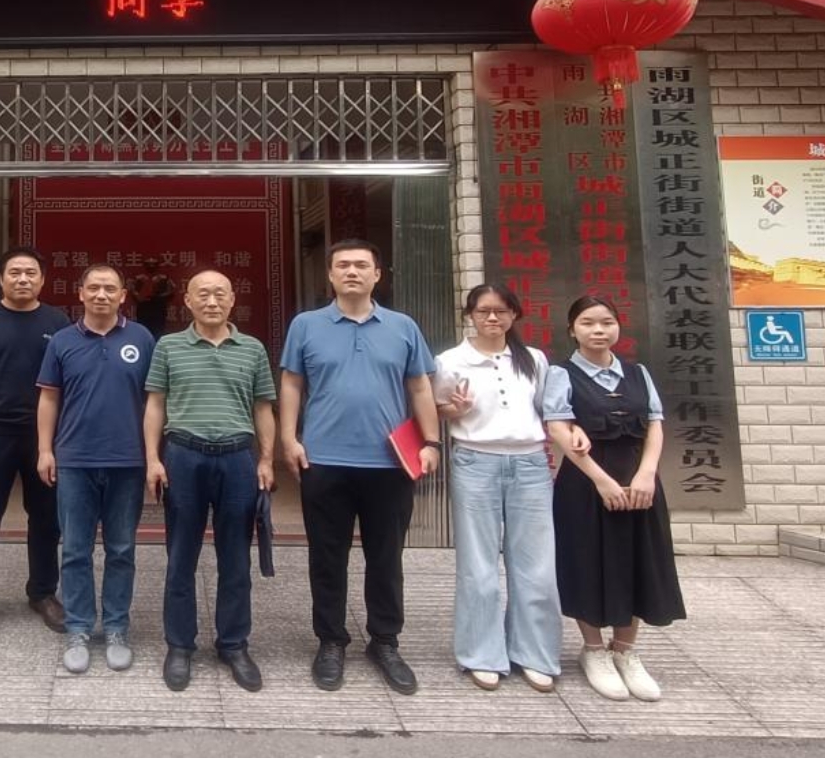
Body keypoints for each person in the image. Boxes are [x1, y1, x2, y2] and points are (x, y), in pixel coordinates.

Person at [278, 239, 441, 695]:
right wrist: (289, 438)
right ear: (330, 275)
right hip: (324, 460)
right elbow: (291, 384)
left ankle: (385, 641)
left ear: (377, 275)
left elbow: (420, 388)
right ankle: (331, 640)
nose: (352, 272)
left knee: (386, 557)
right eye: (343, 265)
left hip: (389, 464)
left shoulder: (403, 327)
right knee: (326, 557)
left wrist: (431, 442)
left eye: (361, 265)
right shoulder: (306, 326)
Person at [435, 283, 588, 693]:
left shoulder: (533, 359)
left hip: (530, 463)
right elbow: (434, 409)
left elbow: (550, 412)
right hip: (475, 461)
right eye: (483, 311)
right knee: (478, 564)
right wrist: (453, 410)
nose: (492, 318)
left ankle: (534, 653)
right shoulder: (450, 361)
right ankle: (481, 654)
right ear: (469, 314)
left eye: (501, 311)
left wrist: (572, 433)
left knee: (536, 563)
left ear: (514, 314)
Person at [542, 294, 687, 702]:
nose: (598, 330)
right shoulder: (561, 374)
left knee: (639, 560)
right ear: (572, 330)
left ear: (618, 326)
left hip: (639, 482)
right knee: (587, 561)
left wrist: (647, 473)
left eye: (606, 322)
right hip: (585, 483)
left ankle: (624, 650)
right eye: (588, 323)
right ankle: (593, 650)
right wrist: (602, 481)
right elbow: (558, 428)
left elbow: (655, 425)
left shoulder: (638, 373)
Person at [143, 269, 277, 693]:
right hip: (184, 456)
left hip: (237, 459)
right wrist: (153, 459)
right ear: (187, 300)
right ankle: (179, 645)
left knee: (235, 558)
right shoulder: (168, 346)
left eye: (220, 294)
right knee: (181, 556)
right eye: (203, 294)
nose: (212, 301)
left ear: (233, 299)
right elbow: (155, 404)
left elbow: (263, 408)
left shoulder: (252, 349)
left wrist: (266, 459)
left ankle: (233, 644)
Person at [37, 264, 156, 674]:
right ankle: (79, 627)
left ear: (123, 295)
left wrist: (153, 456)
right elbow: (49, 398)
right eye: (94, 288)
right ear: (81, 293)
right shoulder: (63, 341)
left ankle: (117, 626)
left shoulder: (142, 338)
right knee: (75, 549)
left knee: (122, 549)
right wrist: (45, 450)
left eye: (110, 288)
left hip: (127, 460)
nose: (101, 294)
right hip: (75, 460)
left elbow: (155, 401)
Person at [0, 246, 73, 646]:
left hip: (44, 435)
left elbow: (67, 379)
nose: (23, 279)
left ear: (43, 279)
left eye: (31, 272)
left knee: (46, 516)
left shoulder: (57, 321)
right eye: (15, 272)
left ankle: (42, 592)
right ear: (2, 278)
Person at [131, 257, 176, 336]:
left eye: (153, 264)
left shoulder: (164, 278)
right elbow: (132, 291)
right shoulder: (138, 278)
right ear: (145, 266)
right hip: (144, 307)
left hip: (158, 307)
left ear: (157, 266)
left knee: (158, 330)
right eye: (148, 264)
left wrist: (160, 298)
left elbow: (172, 290)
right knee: (143, 329)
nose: (151, 266)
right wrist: (139, 298)